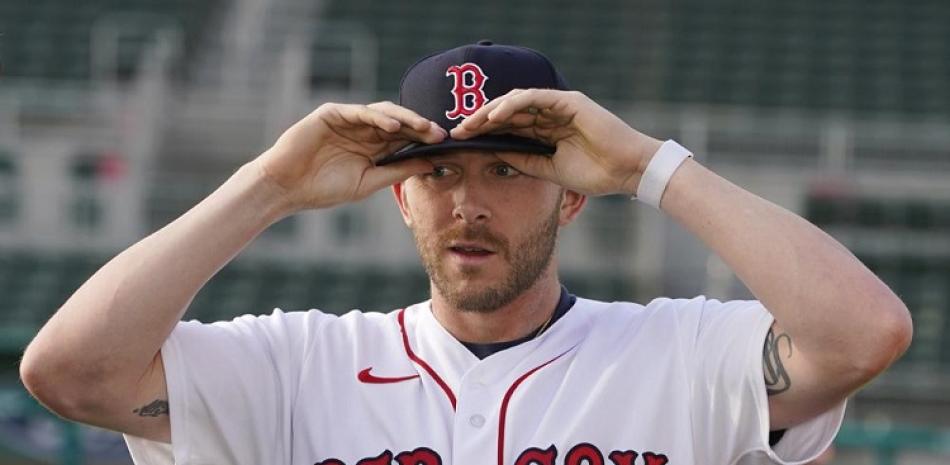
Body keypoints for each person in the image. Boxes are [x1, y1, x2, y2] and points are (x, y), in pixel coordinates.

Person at [20, 41, 911, 465]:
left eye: (505, 169)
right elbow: (71, 372)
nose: (469, 202)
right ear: (401, 195)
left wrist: (647, 164)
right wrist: (273, 184)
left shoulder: (678, 355)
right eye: (438, 173)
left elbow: (864, 334)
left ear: (572, 194)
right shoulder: (298, 364)